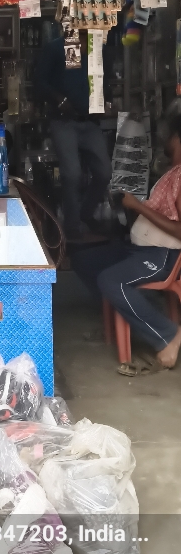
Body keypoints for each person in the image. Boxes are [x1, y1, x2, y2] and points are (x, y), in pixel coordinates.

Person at [72, 114, 181, 370]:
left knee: (111, 281)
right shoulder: (172, 173)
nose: (164, 141)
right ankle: (124, 317)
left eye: (169, 137)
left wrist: (138, 207)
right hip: (140, 249)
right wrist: (128, 206)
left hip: (162, 255)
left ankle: (168, 335)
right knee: (84, 260)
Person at [37, 31, 111, 240]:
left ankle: (85, 213)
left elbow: (103, 79)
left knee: (104, 172)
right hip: (64, 122)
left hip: (90, 121)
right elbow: (40, 82)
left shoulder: (97, 47)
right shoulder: (58, 47)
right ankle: (71, 227)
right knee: (72, 174)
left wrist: (106, 101)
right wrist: (58, 99)